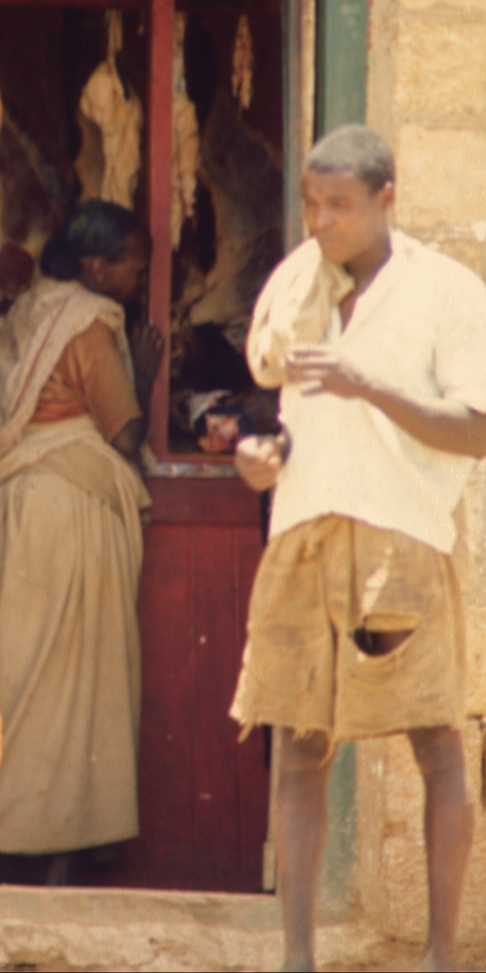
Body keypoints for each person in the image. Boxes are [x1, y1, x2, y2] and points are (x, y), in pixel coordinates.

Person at [230, 125, 486, 973]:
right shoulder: (298, 280)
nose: (321, 221)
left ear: (387, 199)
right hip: (304, 534)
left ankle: (443, 954)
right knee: (300, 747)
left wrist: (366, 383)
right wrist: (260, 458)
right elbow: (279, 400)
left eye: (340, 205)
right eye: (311, 203)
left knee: (435, 741)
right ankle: (297, 958)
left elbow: (477, 429)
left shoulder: (447, 292)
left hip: (403, 539)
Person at [0, 199, 164, 885]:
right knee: (71, 691)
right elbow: (126, 435)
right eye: (135, 260)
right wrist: (144, 370)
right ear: (96, 266)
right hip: (62, 514)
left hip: (4, 514)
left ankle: (15, 853)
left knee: (11, 685)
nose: (143, 272)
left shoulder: (31, 309)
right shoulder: (93, 324)